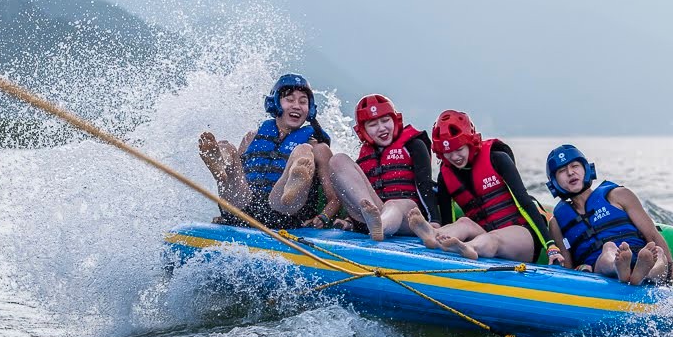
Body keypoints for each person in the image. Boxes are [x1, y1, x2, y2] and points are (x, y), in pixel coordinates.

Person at [406, 110, 562, 264]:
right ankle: (433, 234)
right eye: (448, 152)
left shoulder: (497, 159)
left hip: (521, 238)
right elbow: (449, 219)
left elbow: (525, 203)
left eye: (459, 149)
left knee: (492, 238)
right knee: (463, 223)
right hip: (483, 235)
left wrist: (550, 246)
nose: (454, 157)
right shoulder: (445, 176)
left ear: (469, 142)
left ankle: (467, 247)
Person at [198, 73, 339, 229]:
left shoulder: (319, 148)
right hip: (241, 209)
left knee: (303, 150)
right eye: (289, 100)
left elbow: (334, 198)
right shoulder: (251, 138)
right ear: (275, 103)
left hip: (284, 214)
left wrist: (323, 218)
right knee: (227, 148)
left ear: (310, 109)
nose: (297, 106)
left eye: (303, 102)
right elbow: (240, 177)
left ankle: (295, 181)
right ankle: (220, 162)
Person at [545, 144, 673, 285]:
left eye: (575, 166)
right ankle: (621, 268)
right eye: (562, 171)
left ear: (586, 168)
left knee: (658, 252)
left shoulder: (618, 195)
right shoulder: (556, 223)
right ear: (554, 182)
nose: (570, 173)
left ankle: (644, 272)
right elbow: (567, 265)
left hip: (640, 254)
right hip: (602, 267)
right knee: (609, 248)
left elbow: (652, 234)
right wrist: (580, 268)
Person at [325, 94, 439, 240]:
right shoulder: (365, 155)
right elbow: (357, 190)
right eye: (373, 125)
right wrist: (350, 220)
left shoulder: (414, 145)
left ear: (395, 120)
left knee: (393, 205)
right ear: (363, 130)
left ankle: (379, 227)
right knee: (337, 160)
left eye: (385, 121)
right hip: (377, 212)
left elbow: (425, 184)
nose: (381, 128)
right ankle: (373, 224)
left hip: (409, 216)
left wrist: (434, 222)